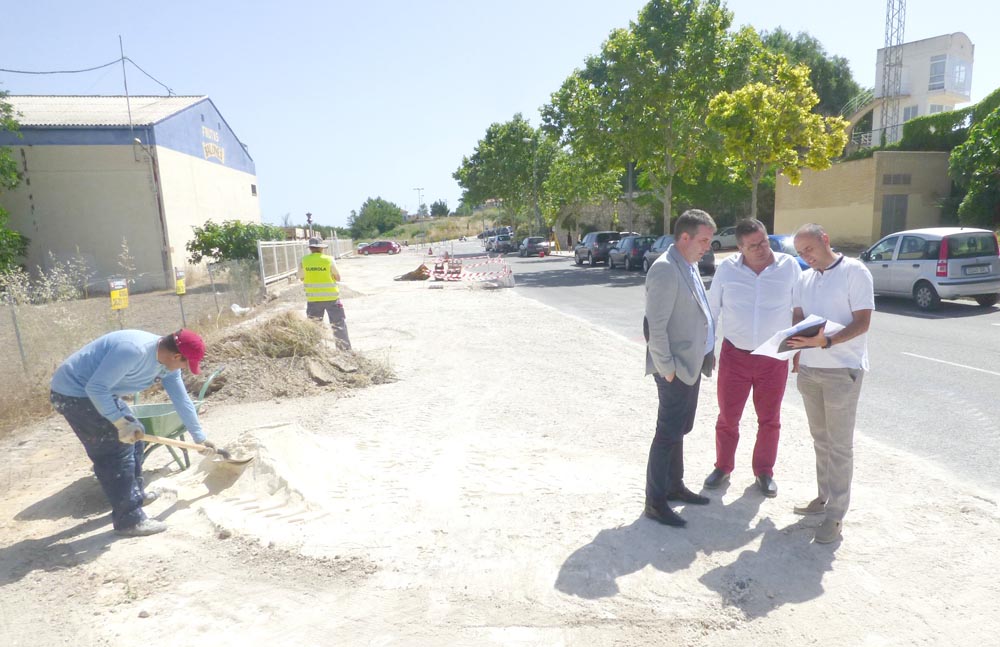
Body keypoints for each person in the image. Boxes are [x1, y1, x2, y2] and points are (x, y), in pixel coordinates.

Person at [50, 329, 216, 537]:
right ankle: (129, 520)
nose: (185, 368)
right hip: (74, 393)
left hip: (100, 392)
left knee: (137, 437)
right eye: (185, 363)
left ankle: (134, 495)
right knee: (115, 451)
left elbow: (181, 399)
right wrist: (119, 422)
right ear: (176, 356)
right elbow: (96, 388)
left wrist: (200, 437)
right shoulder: (133, 350)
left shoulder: (167, 365)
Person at [785, 223, 874, 544]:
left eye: (809, 248)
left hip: (842, 371)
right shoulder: (803, 278)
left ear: (825, 240)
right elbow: (798, 318)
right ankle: (823, 498)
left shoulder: (854, 271)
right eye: (800, 252)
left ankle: (836, 516)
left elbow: (862, 322)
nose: (805, 256)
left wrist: (826, 342)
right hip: (809, 371)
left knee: (839, 446)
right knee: (820, 439)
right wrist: (794, 353)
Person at [704, 219, 802, 497]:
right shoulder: (727, 269)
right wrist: (707, 348)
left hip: (774, 356)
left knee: (769, 419)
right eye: (753, 246)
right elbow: (713, 311)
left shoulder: (788, 267)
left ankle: (764, 471)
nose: (761, 249)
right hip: (735, 355)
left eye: (764, 242)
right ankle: (723, 467)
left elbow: (799, 310)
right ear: (740, 247)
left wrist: (797, 350)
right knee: (727, 417)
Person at [643, 209, 717, 527]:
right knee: (667, 434)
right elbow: (654, 327)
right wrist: (667, 369)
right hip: (674, 368)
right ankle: (655, 502)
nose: (707, 247)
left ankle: (675, 486)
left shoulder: (687, 263)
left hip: (691, 364)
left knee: (679, 430)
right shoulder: (664, 270)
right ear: (684, 237)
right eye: (703, 240)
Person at [299, 237, 352, 350]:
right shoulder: (329, 259)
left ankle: (315, 350)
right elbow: (337, 277)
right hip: (332, 298)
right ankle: (345, 351)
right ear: (321, 248)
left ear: (310, 248)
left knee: (314, 326)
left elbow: (301, 278)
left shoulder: (304, 260)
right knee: (338, 325)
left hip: (313, 300)